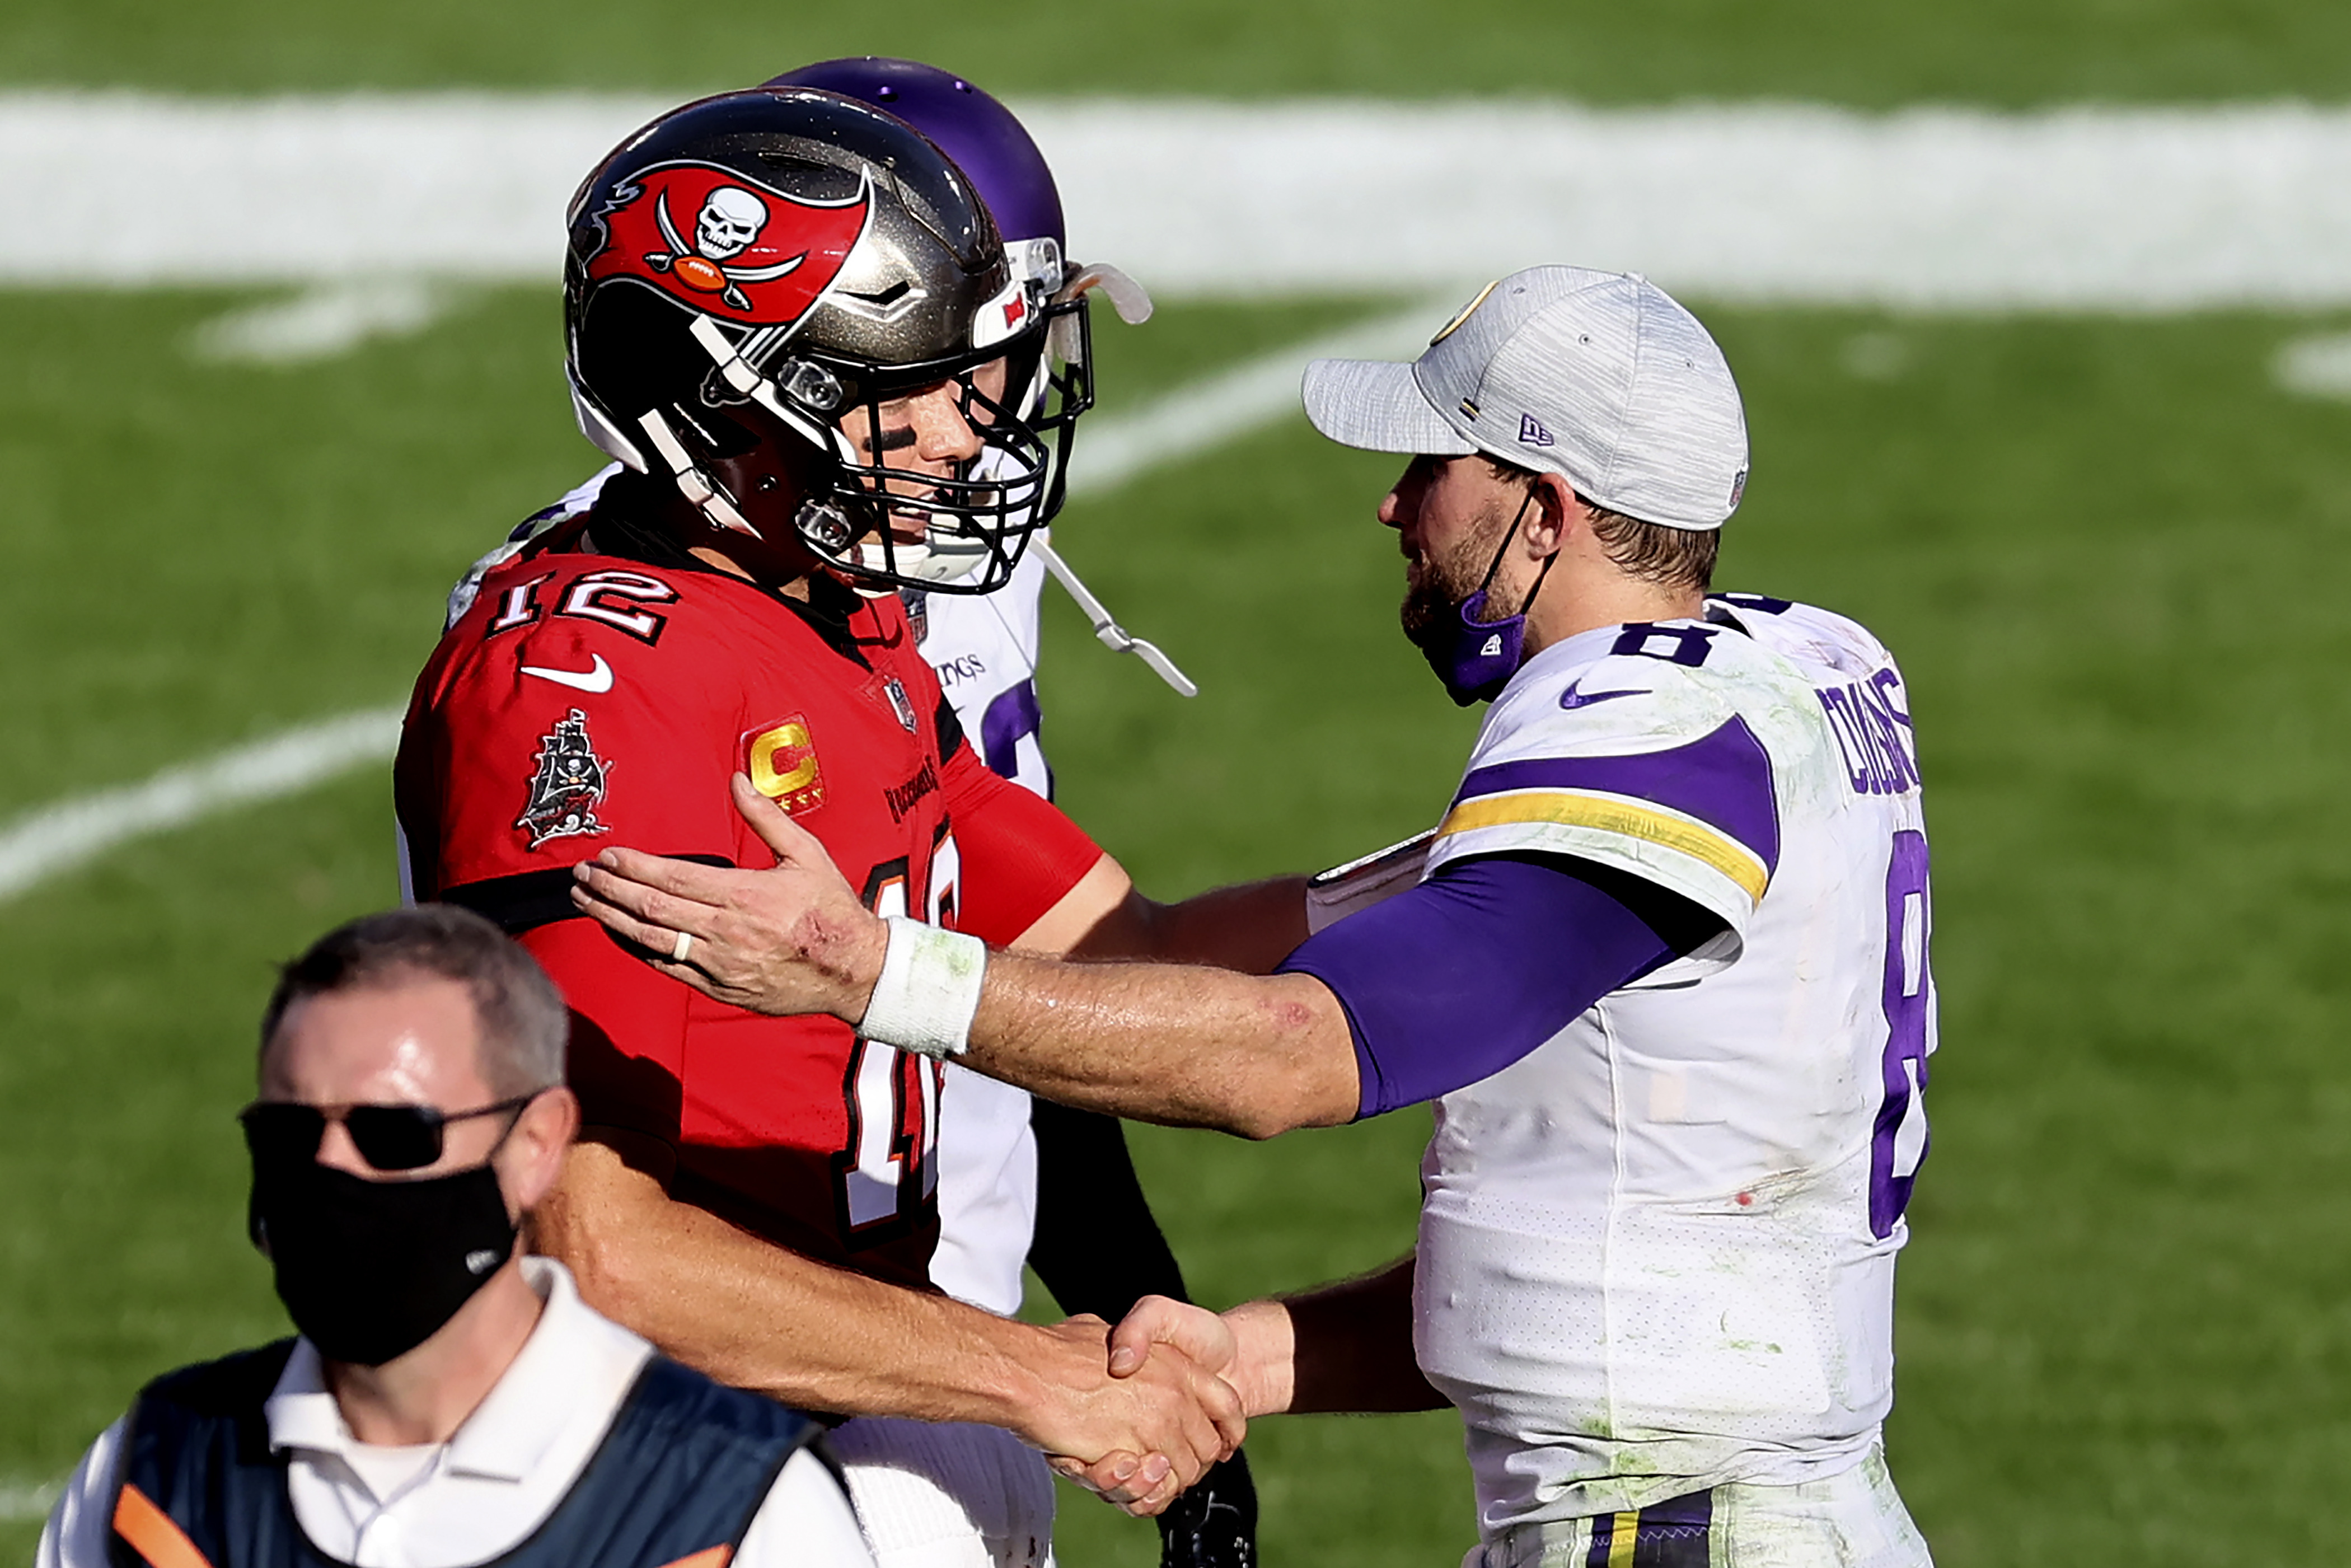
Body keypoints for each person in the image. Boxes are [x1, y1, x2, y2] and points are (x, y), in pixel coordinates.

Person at [568, 266, 1941, 1565]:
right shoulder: (1807, 671)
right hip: (1730, 1501)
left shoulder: (1642, 727)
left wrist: (866, 971)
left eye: (1432, 468)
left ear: (1548, 506)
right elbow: (1601, 1276)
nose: (1394, 509)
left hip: (1678, 1530)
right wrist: (1255, 1355)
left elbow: (1293, 1059)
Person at [394, 85, 1278, 1565]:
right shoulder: (591, 677)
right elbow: (588, 1238)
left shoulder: (822, 612)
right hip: (655, 1455)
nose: (958, 435)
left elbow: (1139, 947)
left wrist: (1499, 873)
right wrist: (1031, 1379)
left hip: (857, 1389)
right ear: (729, 401)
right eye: (901, 388)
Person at [39, 905, 874, 1568]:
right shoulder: (157, 1477)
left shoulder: (734, 1509)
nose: (332, 1174)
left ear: (535, 1146)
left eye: (395, 1134)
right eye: (292, 1137)